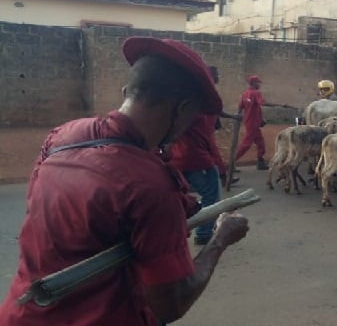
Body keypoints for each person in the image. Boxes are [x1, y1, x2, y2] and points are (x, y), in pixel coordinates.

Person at [0, 37, 250, 324]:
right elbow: (169, 306)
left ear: (126, 92)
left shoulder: (61, 136)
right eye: (191, 118)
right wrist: (220, 239)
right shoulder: (150, 186)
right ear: (182, 109)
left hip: (21, 314)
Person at [169, 65, 239, 246]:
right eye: (215, 75)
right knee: (211, 196)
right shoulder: (200, 101)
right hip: (196, 158)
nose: (218, 77)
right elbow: (206, 134)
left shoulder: (190, 97)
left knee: (176, 196)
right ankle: (204, 231)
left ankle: (176, 230)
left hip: (179, 157)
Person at [235, 75, 280, 170]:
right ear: (254, 83)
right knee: (246, 144)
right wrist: (278, 105)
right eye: (258, 83)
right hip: (253, 124)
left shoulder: (244, 94)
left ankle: (260, 162)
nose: (259, 85)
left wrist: (238, 117)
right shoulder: (256, 93)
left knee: (260, 143)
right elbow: (262, 103)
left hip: (249, 122)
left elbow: (240, 107)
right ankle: (232, 161)